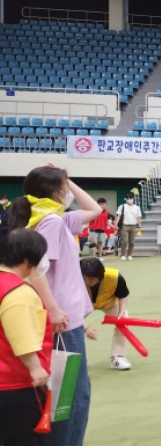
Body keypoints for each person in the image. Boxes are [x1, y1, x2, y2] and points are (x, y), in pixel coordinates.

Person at [9, 166, 102, 446]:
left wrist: (67, 181)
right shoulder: (50, 221)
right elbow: (36, 266)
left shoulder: (53, 217)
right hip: (62, 319)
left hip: (66, 317)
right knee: (70, 396)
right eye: (64, 185)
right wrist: (53, 308)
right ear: (55, 191)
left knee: (70, 393)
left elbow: (94, 210)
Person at [0, 229, 51, 446]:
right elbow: (21, 333)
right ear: (27, 261)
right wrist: (34, 366)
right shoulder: (19, 292)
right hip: (16, 384)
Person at [80, 257, 132, 370]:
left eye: (92, 279)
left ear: (101, 275)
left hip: (110, 303)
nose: (89, 283)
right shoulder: (74, 279)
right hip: (83, 305)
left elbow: (123, 295)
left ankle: (118, 357)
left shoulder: (115, 277)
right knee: (72, 325)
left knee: (124, 321)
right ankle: (80, 358)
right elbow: (73, 312)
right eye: (85, 279)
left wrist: (122, 311)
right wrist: (86, 328)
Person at [113, 193, 143, 261]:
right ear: (126, 199)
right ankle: (123, 255)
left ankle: (130, 254)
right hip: (124, 225)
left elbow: (138, 218)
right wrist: (115, 225)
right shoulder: (122, 206)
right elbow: (118, 216)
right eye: (128, 198)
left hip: (133, 225)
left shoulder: (137, 207)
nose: (129, 200)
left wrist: (139, 226)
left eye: (130, 198)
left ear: (133, 199)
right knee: (124, 241)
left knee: (132, 242)